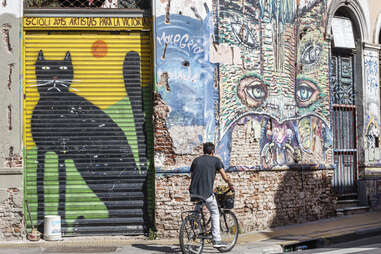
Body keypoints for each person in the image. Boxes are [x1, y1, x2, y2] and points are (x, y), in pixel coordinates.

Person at [189, 142, 234, 248]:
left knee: (199, 206)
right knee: (215, 213)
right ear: (212, 151)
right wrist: (230, 184)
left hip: (194, 192)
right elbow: (224, 176)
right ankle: (217, 240)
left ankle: (194, 222)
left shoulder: (196, 160)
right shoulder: (216, 161)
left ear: (203, 150)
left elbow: (192, 175)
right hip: (207, 193)